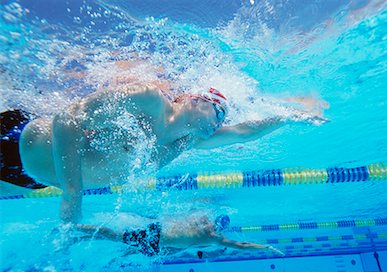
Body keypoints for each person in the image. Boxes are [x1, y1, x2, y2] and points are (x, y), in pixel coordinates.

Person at [1, 84, 327, 223]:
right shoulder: (148, 100)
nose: (223, 121)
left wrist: (289, 116)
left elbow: (246, 131)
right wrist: (73, 192)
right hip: (14, 139)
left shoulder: (182, 143)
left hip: (29, 181)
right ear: (196, 98)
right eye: (220, 111)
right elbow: (68, 117)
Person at [74, 214, 284, 258]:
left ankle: (79, 234)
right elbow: (242, 245)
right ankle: (77, 229)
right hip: (156, 241)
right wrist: (265, 247)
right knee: (115, 237)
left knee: (117, 238)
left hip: (155, 234)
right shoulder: (213, 237)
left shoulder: (201, 220)